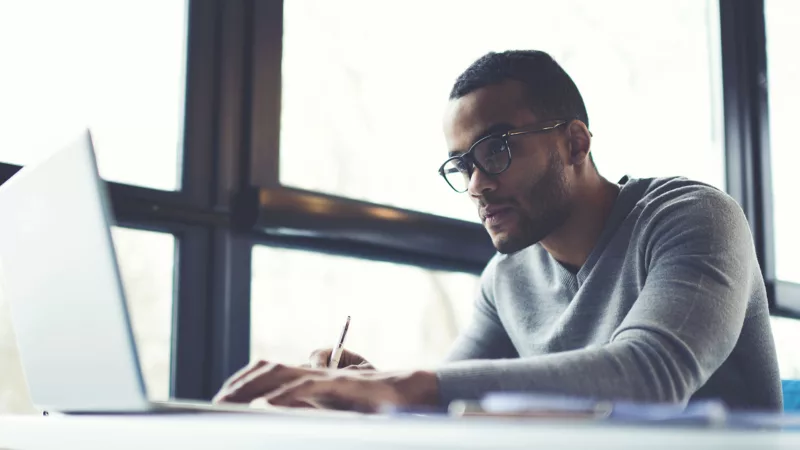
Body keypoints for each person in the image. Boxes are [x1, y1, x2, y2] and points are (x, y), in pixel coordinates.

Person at [213, 50, 783, 412]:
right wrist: (372, 390)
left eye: (499, 150)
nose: (477, 185)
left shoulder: (692, 217)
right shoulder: (505, 279)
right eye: (463, 166)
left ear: (576, 142)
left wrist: (410, 385)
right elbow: (453, 391)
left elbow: (653, 375)